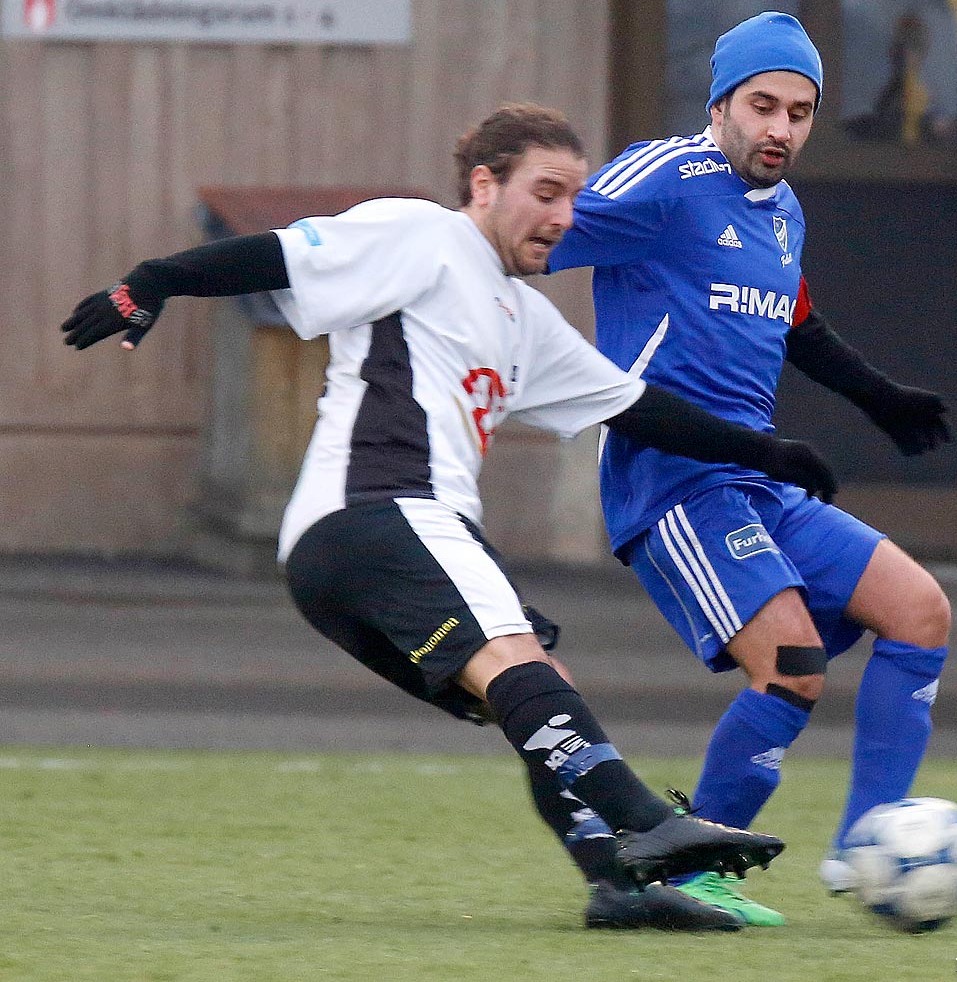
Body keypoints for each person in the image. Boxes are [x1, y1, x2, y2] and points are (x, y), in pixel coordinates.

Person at [61, 104, 846, 931]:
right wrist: (149, 281)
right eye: (544, 192)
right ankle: (650, 825)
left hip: (360, 551)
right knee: (519, 664)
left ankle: (618, 886)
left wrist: (769, 455)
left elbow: (638, 407)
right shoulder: (425, 234)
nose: (562, 217)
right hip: (379, 509)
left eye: (572, 199)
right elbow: (281, 254)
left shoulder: (525, 319)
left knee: (537, 690)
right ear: (483, 183)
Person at [547, 13, 954, 927]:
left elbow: (794, 322)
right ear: (719, 104)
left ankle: (868, 846)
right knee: (794, 667)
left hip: (758, 478)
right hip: (672, 479)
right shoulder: (663, 179)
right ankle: (685, 870)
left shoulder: (782, 209)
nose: (780, 128)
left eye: (800, 112)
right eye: (761, 105)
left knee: (920, 612)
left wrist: (878, 396)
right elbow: (536, 233)